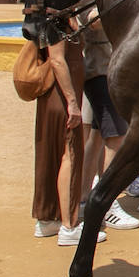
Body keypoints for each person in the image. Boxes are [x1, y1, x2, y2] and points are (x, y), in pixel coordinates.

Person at [33, 27, 102, 247]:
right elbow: (57, 60)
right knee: (71, 155)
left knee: (50, 155)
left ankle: (47, 218)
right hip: (62, 97)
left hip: (53, 96)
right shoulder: (57, 18)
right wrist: (72, 102)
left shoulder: (51, 15)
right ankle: (69, 226)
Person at [76, 8, 139, 230]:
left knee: (96, 140)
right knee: (116, 140)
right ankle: (107, 204)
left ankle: (84, 199)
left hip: (103, 68)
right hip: (102, 71)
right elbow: (93, 20)